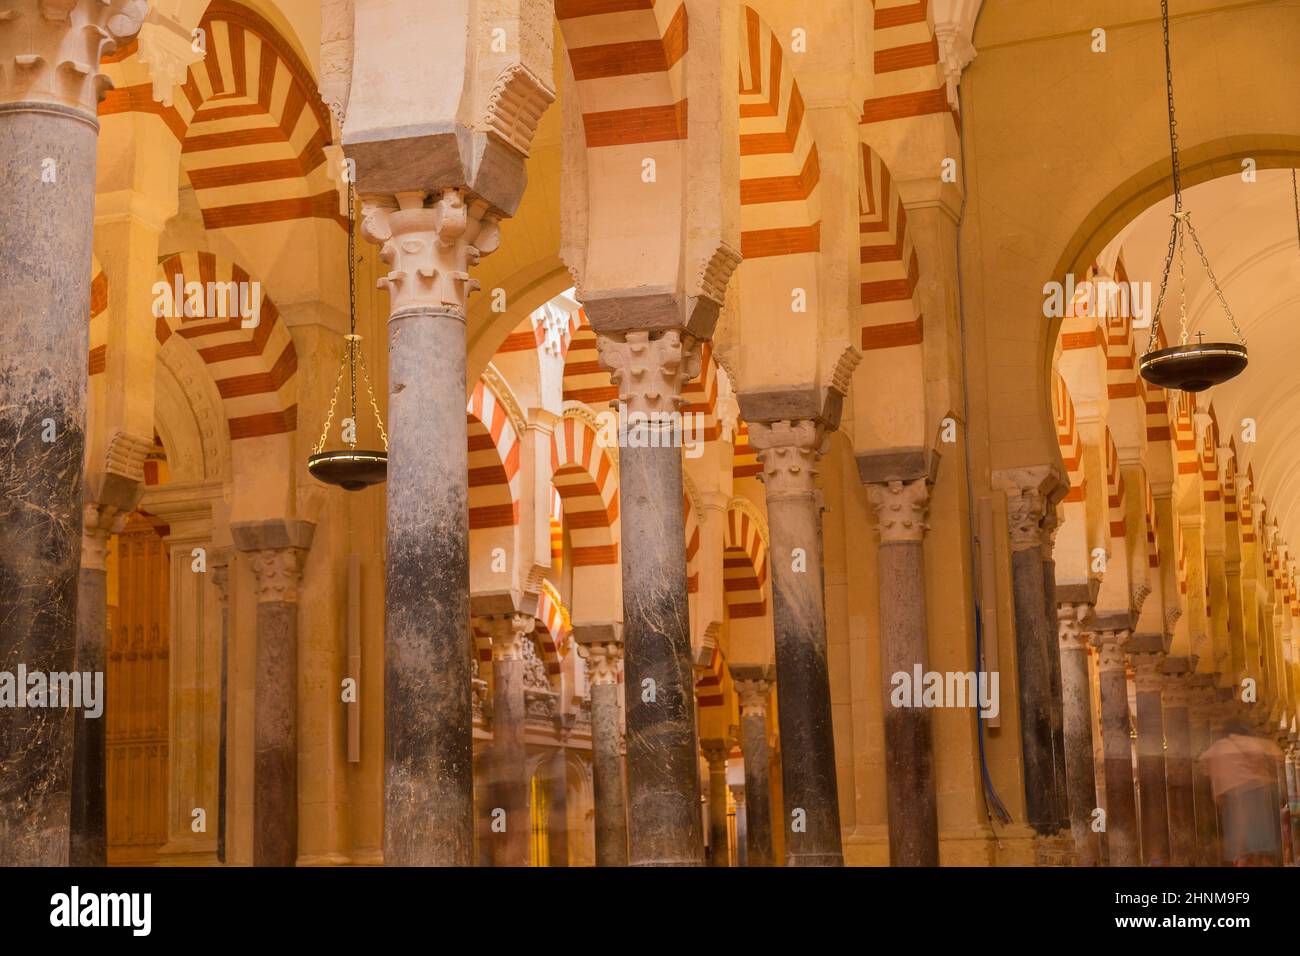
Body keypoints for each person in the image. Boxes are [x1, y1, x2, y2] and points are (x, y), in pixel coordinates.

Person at [1200, 720, 1283, 866]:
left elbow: (1203, 762)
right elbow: (1277, 753)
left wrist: (1218, 794)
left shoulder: (1219, 747)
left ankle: (1242, 861)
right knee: (1261, 838)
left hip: (1234, 796)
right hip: (1258, 792)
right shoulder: (1251, 742)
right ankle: (1264, 861)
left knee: (1239, 840)